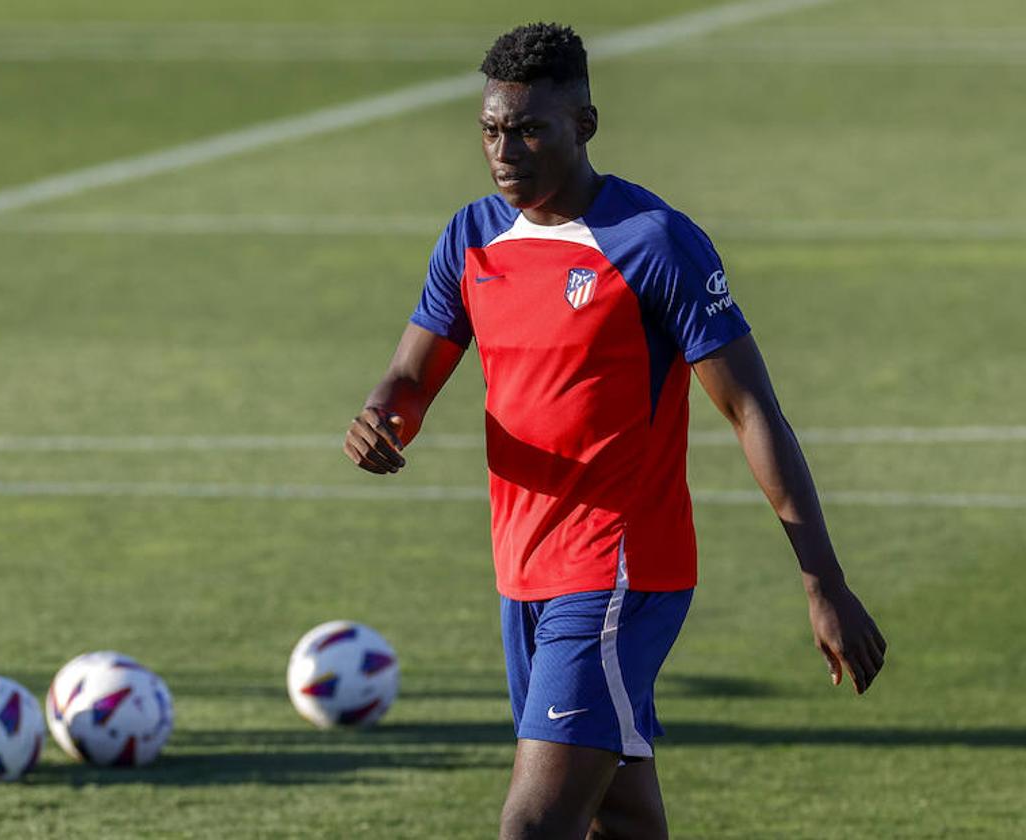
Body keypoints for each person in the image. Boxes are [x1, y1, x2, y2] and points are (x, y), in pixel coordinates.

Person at [343, 22, 886, 840]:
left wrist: (823, 583)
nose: (506, 151)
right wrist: (387, 420)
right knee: (620, 819)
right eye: (492, 130)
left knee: (534, 826)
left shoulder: (655, 243)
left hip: (619, 570)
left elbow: (751, 411)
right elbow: (412, 375)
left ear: (584, 126)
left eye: (531, 130)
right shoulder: (473, 236)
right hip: (522, 570)